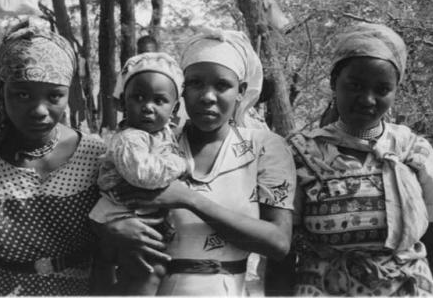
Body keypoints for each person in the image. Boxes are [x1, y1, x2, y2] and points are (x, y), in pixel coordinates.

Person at [100, 28, 297, 296]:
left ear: (240, 91)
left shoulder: (264, 147)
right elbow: (110, 207)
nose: (207, 96)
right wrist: (112, 230)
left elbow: (278, 242)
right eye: (195, 83)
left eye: (222, 85)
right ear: (181, 90)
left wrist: (189, 199)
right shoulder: (151, 143)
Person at [269, 23, 433, 296]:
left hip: (407, 289)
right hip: (322, 288)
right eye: (355, 85)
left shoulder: (414, 152)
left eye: (382, 89)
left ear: (396, 91)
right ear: (333, 83)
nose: (367, 99)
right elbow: (282, 252)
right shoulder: (300, 153)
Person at [0, 22, 107, 295]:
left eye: (54, 95)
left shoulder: (95, 155)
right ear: (1, 90)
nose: (39, 110)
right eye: (22, 94)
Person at [89, 52, 187, 295]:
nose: (148, 107)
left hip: (140, 212)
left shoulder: (162, 134)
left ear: (174, 109)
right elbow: (143, 174)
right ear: (123, 103)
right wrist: (181, 165)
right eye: (138, 98)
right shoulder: (130, 138)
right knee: (150, 271)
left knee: (144, 270)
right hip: (120, 214)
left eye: (159, 100)